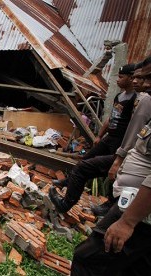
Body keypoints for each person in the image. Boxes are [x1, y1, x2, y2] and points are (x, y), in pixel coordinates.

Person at [70, 62, 151, 275]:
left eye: (146, 78)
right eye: (141, 78)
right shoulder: (134, 100)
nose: (140, 82)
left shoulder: (143, 103)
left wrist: (127, 221)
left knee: (87, 259)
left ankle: (65, 203)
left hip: (139, 211)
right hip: (132, 203)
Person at [49, 63, 137, 213]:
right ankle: (68, 182)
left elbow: (135, 126)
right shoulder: (119, 96)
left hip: (121, 141)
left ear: (131, 78)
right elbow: (110, 118)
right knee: (85, 160)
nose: (117, 80)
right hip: (110, 137)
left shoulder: (136, 99)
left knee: (110, 172)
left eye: (121, 77)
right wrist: (100, 135)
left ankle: (101, 203)